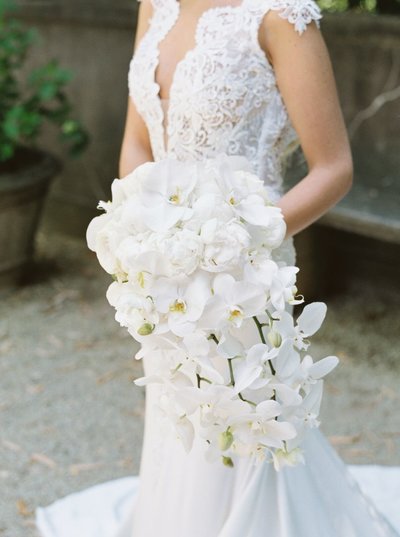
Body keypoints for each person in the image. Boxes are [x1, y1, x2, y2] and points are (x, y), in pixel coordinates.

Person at [35, 0, 400, 535]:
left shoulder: (282, 16)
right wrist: (147, 234)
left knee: (249, 415)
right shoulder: (154, 7)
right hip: (166, 268)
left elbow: (334, 168)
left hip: (249, 269)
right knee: (181, 411)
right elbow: (139, 142)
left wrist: (236, 243)